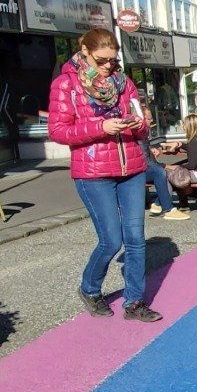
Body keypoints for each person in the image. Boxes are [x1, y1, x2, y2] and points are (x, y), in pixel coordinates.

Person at [49, 26, 159, 321]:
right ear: (85, 51)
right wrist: (101, 127)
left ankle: (134, 302)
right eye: (102, 60)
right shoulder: (66, 85)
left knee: (136, 239)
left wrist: (138, 123)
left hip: (131, 168)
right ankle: (90, 288)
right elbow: (58, 131)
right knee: (111, 240)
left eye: (113, 59)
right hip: (94, 171)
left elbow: (143, 127)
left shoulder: (125, 84)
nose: (109, 66)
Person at [158, 112, 197, 209]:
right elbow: (192, 149)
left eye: (184, 124)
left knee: (171, 175)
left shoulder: (194, 141)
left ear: (189, 127)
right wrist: (179, 144)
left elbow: (191, 166)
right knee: (177, 173)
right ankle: (183, 202)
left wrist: (172, 167)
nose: (182, 126)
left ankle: (166, 204)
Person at [140, 106, 187, 221]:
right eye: (149, 119)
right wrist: (165, 166)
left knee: (164, 172)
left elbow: (145, 155)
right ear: (141, 119)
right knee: (160, 172)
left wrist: (151, 149)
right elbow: (145, 161)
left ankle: (158, 204)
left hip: (142, 168)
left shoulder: (143, 134)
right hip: (138, 171)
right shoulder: (139, 135)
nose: (152, 121)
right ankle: (167, 208)